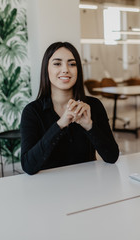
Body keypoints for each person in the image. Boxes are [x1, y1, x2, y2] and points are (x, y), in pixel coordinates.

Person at [20, 42, 119, 175]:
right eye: (57, 64)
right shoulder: (32, 111)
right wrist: (60, 124)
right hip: (48, 188)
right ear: (46, 69)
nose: (65, 69)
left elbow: (112, 157)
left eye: (72, 64)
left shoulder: (94, 106)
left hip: (88, 186)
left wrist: (89, 126)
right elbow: (28, 166)